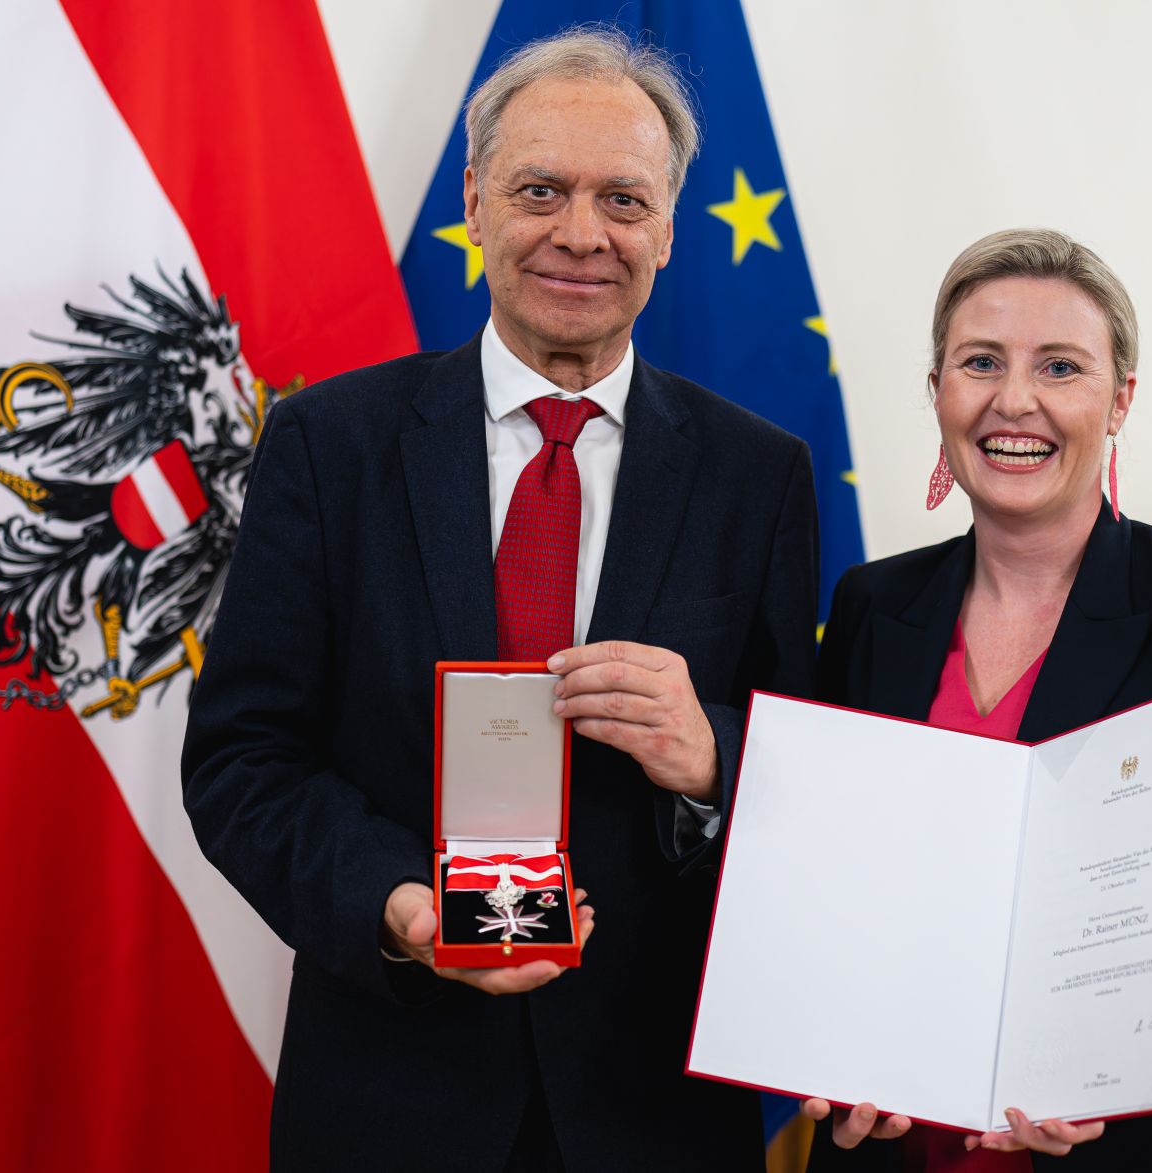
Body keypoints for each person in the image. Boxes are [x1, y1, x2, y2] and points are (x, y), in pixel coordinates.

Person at [180, 29, 817, 1172]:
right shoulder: (329, 445)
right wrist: (397, 906)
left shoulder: (757, 474)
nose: (581, 233)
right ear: (474, 202)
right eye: (539, 190)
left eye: (623, 199)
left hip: (655, 1107)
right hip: (388, 1095)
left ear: (670, 228)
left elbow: (809, 773)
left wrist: (712, 756)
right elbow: (243, 761)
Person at [801, 228, 1152, 1171]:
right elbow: (828, 897)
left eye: (1060, 366)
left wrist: (1111, 1051)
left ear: (1120, 400)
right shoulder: (871, 607)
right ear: (937, 389)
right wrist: (833, 1051)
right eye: (981, 361)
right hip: (901, 1146)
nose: (1014, 399)